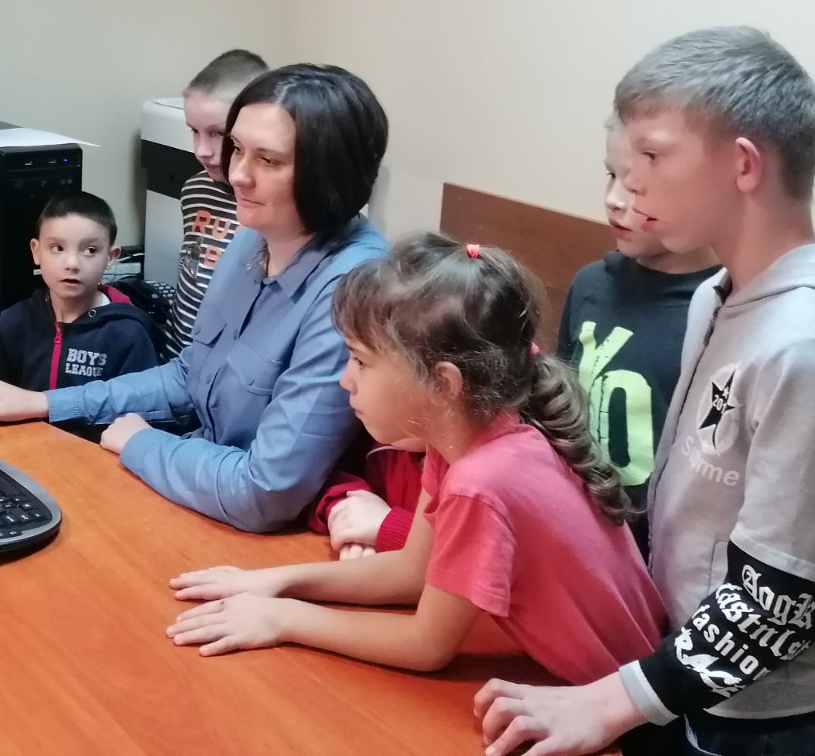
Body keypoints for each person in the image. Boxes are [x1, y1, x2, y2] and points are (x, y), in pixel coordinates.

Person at [479, 27, 815, 756]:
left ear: (743, 164)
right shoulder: (719, 294)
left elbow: (775, 605)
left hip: (763, 722)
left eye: (654, 156)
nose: (631, 183)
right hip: (682, 673)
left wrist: (609, 703)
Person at [165, 234, 665, 684]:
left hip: (624, 721)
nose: (344, 380)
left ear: (444, 383)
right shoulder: (461, 436)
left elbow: (426, 646)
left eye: (361, 360)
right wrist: (278, 582)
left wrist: (284, 619)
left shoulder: (483, 480)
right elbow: (412, 571)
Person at [0, 64, 389, 532]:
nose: (237, 174)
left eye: (268, 161)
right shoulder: (253, 237)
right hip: (199, 484)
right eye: (237, 149)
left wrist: (140, 443)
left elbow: (265, 491)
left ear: (330, 177)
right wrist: (42, 403)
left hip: (261, 527)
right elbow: (190, 374)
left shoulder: (351, 288)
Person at [557, 117, 718, 554]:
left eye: (636, 185)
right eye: (612, 176)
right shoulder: (590, 285)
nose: (614, 199)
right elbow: (560, 415)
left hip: (662, 562)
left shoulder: (720, 312)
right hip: (579, 543)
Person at [0, 192, 157, 392]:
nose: (72, 263)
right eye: (57, 248)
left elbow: (139, 406)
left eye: (90, 250)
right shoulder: (13, 323)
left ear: (110, 257)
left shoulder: (128, 334)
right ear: (36, 252)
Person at [168, 48, 270, 358]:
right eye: (194, 131)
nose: (201, 150)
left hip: (224, 363)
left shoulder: (270, 209)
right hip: (174, 353)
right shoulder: (194, 189)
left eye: (218, 133)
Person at [307, 434, 425, 560]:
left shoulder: (396, 437)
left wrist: (392, 530)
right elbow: (313, 484)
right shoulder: (384, 442)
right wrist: (348, 512)